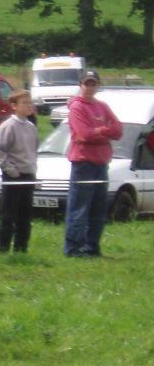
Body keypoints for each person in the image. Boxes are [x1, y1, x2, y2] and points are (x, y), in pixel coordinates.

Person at [64, 70, 122, 257]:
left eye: (93, 83)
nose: (89, 87)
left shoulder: (102, 106)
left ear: (98, 86)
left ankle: (92, 247)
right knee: (79, 209)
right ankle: (74, 249)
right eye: (86, 83)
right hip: (83, 163)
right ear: (80, 85)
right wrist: (105, 132)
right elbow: (83, 134)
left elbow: (119, 130)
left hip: (101, 163)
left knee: (98, 209)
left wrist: (98, 131)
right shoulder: (76, 107)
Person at [0, 89, 39, 254]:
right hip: (13, 176)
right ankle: (3, 249)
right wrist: (11, 170)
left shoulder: (31, 127)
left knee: (25, 216)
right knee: (8, 215)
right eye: (24, 103)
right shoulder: (8, 126)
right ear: (14, 106)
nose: (28, 106)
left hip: (28, 176)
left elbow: (33, 151)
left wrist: (32, 170)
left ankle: (21, 250)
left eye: (30, 103)